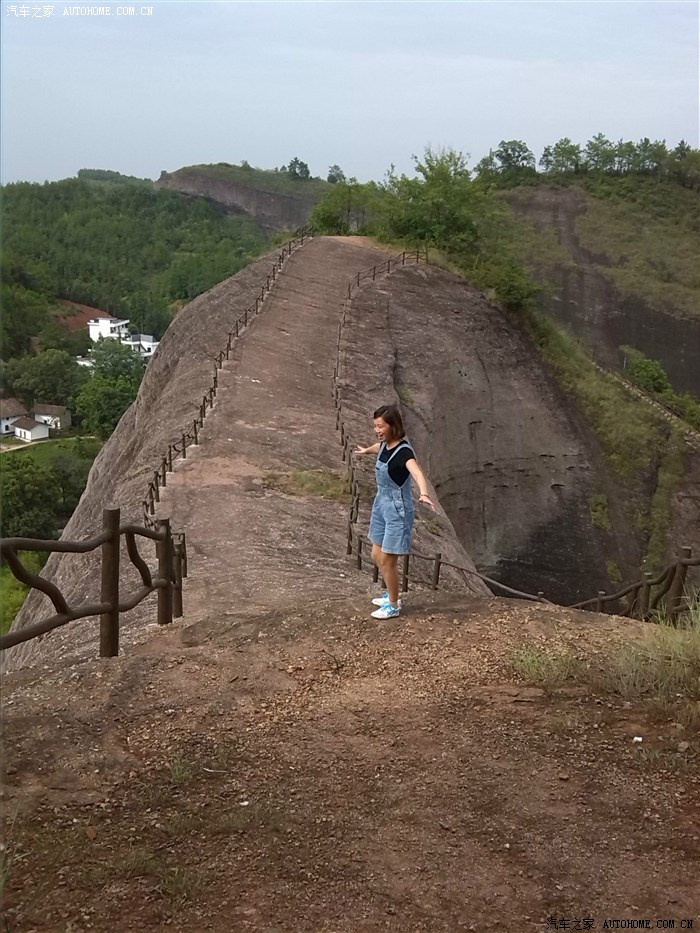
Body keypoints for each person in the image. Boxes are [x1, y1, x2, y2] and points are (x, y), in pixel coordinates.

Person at [355, 404, 435, 619]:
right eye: (375, 426)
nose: (377, 430)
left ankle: (393, 604)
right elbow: (377, 448)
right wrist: (366, 450)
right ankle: (391, 595)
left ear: (393, 426)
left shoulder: (404, 452)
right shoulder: (384, 444)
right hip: (381, 504)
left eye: (380, 426)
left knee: (388, 560)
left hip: (398, 509)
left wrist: (424, 493)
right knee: (376, 554)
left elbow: (417, 472)